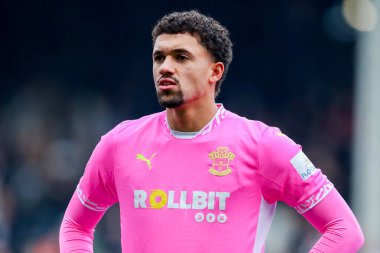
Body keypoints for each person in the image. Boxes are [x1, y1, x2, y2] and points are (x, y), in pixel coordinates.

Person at [59, 10, 364, 253]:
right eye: (159, 57)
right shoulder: (120, 143)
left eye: (181, 57)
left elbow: (345, 230)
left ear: (215, 72)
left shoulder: (263, 145)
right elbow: (75, 227)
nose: (165, 67)